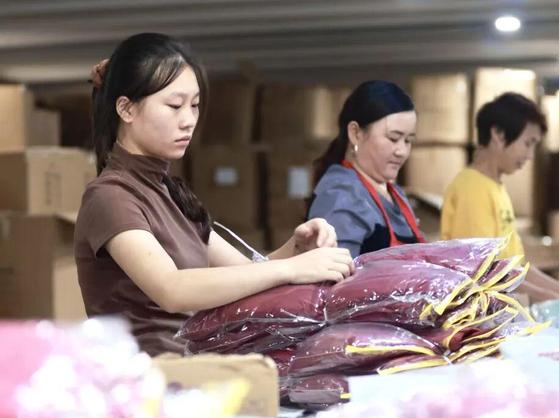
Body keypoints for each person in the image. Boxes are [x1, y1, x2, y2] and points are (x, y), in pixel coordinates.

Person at [74, 33, 353, 356]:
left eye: (194, 105)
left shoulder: (168, 193)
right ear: (126, 109)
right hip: (146, 375)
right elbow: (172, 289)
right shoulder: (111, 197)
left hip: (194, 366)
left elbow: (243, 272)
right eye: (174, 106)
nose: (189, 121)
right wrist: (293, 269)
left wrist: (296, 249)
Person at [440, 92, 559, 302]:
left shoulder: (495, 187)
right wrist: (550, 298)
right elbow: (483, 273)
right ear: (498, 134)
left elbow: (516, 267)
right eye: (528, 143)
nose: (530, 156)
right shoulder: (472, 189)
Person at [307, 80, 425, 258]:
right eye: (393, 138)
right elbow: (334, 272)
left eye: (408, 141)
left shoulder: (395, 193)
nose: (402, 151)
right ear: (355, 133)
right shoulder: (341, 195)